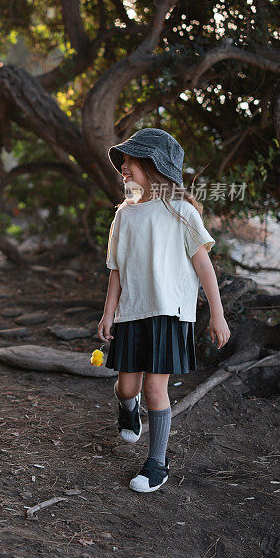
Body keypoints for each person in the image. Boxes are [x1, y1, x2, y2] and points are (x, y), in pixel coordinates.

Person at [97, 128, 230, 493]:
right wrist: (108, 314)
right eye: (122, 163)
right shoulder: (124, 216)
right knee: (127, 387)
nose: (123, 168)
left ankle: (157, 461)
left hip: (170, 313)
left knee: (156, 389)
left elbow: (204, 266)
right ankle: (127, 407)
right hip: (131, 313)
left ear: (153, 164)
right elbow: (117, 271)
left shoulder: (182, 211)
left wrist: (217, 314)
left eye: (129, 161)